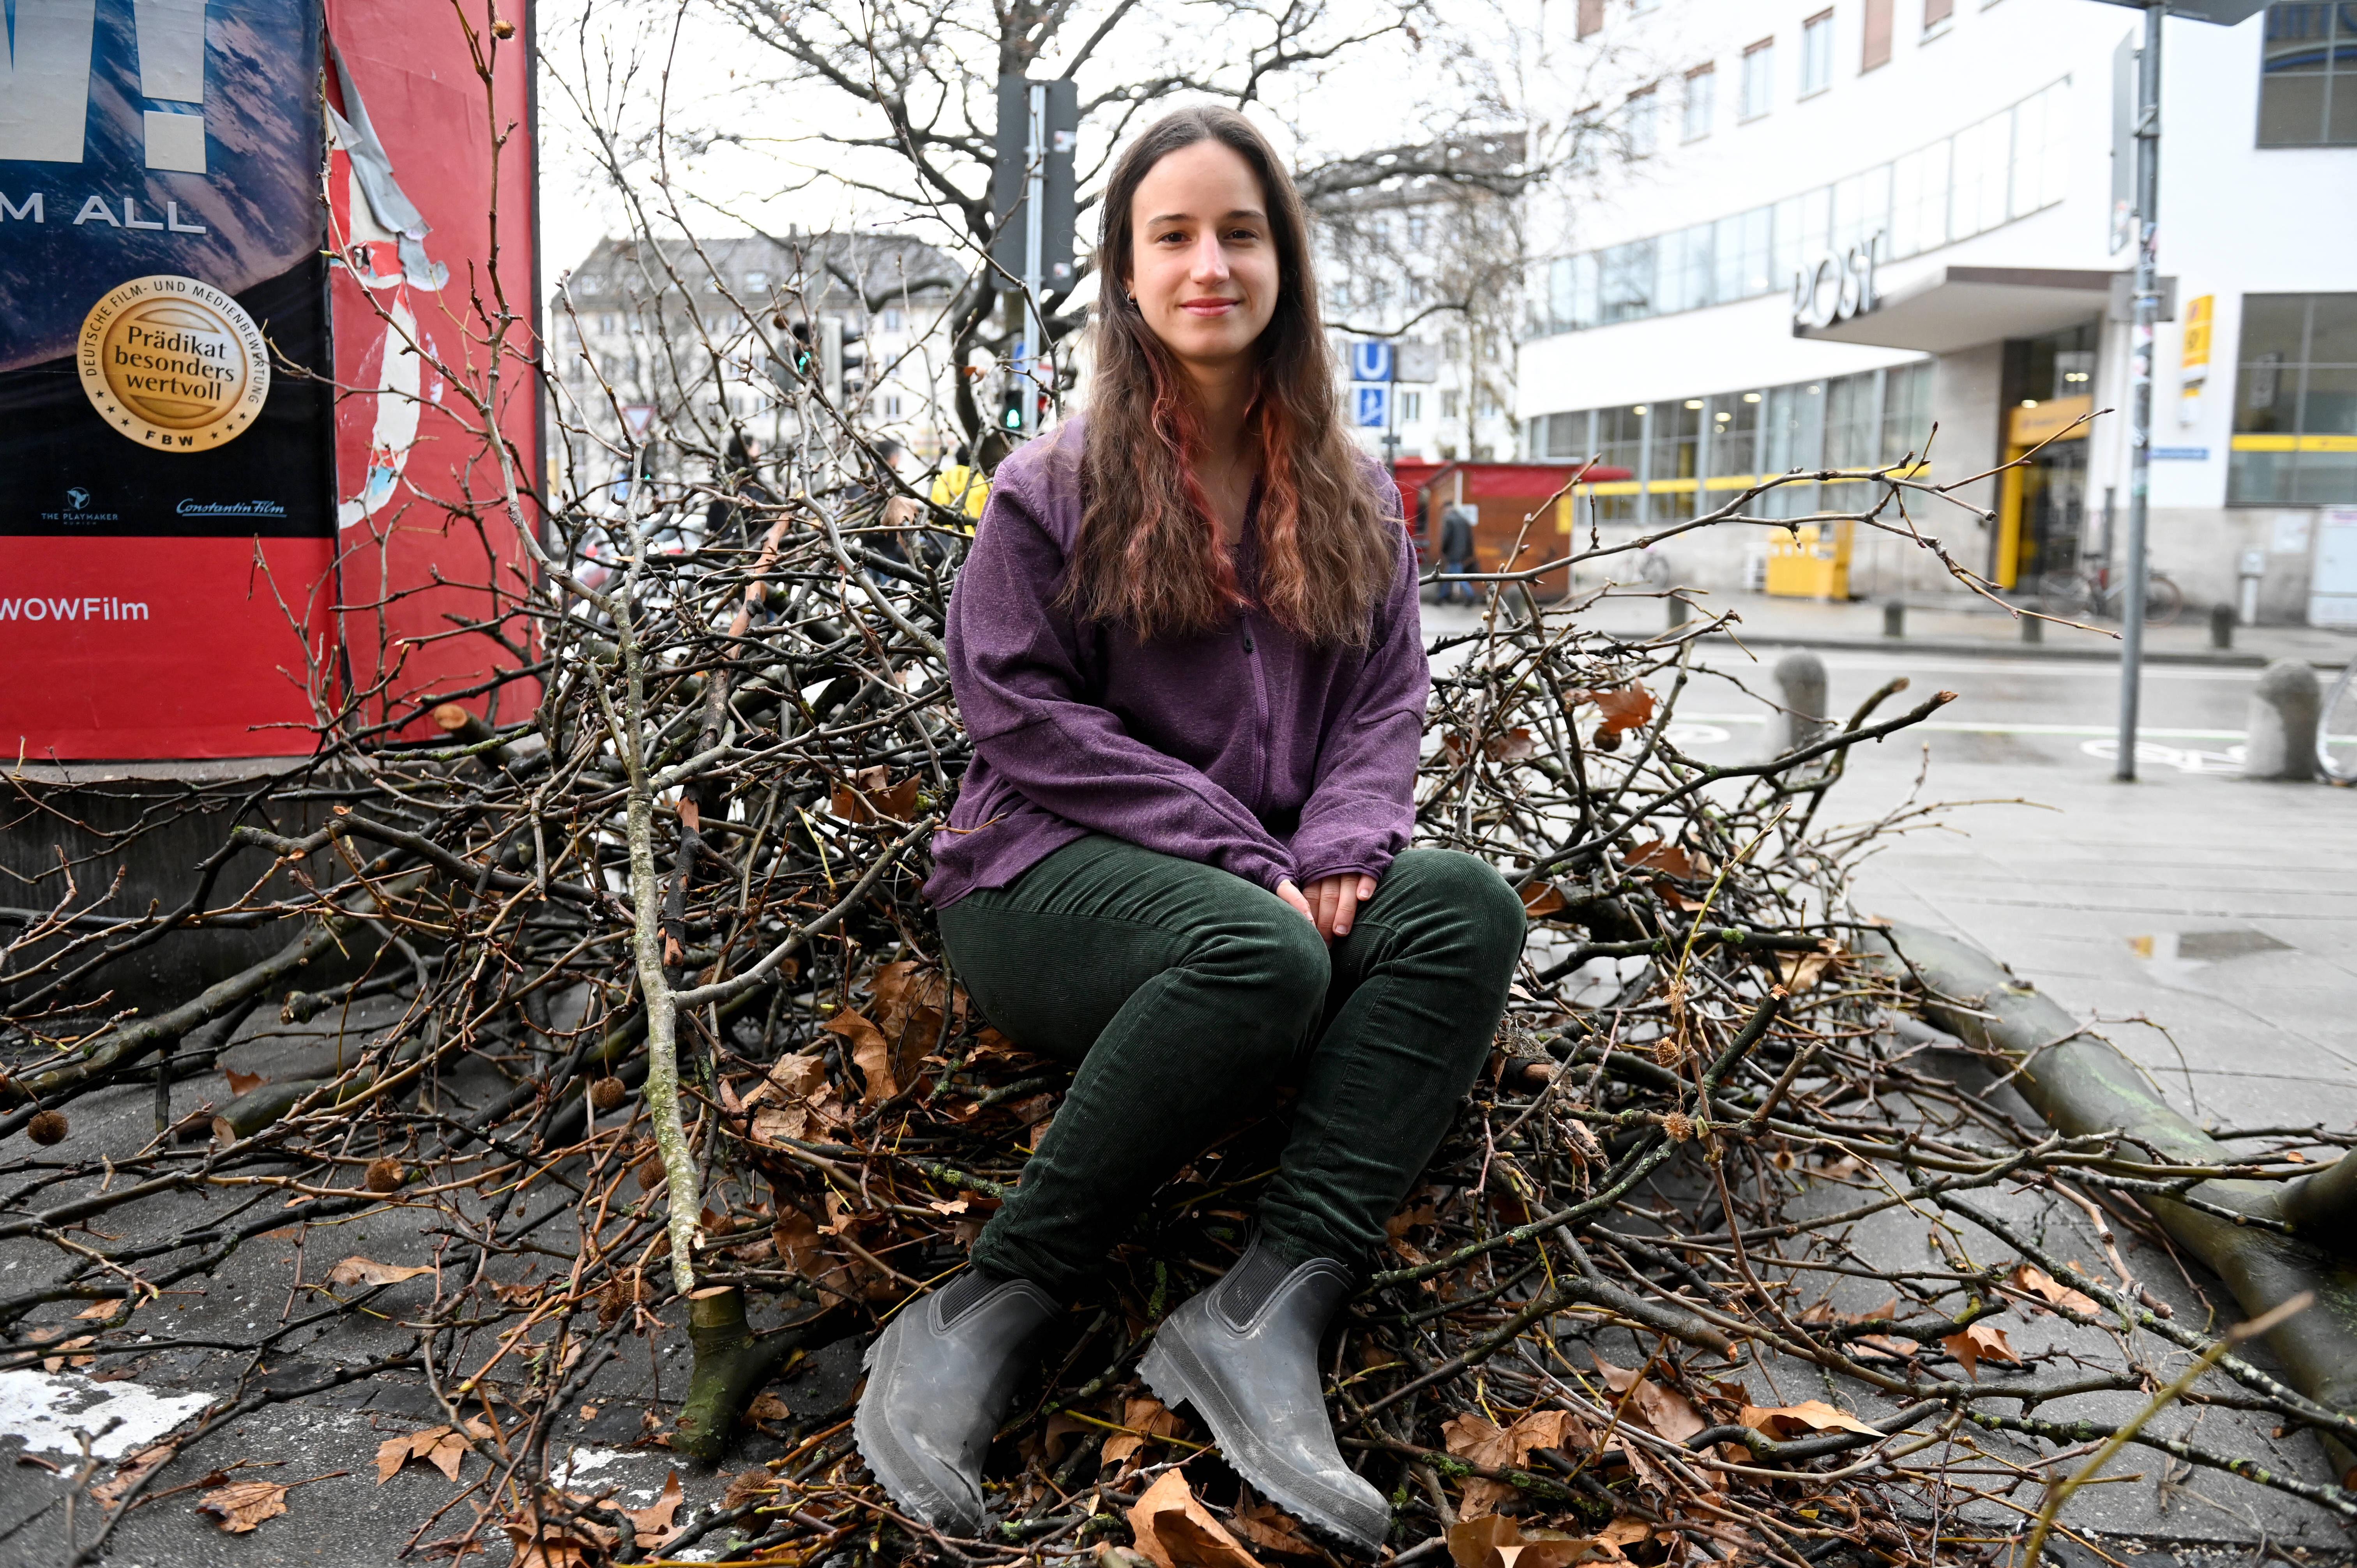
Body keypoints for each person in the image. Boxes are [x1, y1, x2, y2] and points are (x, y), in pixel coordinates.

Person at [852, 105, 1525, 1554]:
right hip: (1040, 880)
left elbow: (1388, 697)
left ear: (1282, 258)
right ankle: (987, 1301)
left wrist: (1342, 835)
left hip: (1269, 884)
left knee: (1463, 904)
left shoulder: (1352, 495)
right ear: (1124, 271)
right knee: (1259, 960)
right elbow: (1014, 711)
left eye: (1240, 230)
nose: (1208, 261)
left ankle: (1264, 1308)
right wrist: (1246, 854)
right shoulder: (1052, 488)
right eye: (1173, 235)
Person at [929, 442, 989, 528]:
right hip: (970, 538)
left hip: (943, 536)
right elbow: (987, 518)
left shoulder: (941, 479)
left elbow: (932, 512)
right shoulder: (982, 483)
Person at [1438, 501, 1478, 604]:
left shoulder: (1449, 520)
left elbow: (1446, 538)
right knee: (1449, 575)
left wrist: (1444, 550)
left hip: (1453, 553)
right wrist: (1469, 553)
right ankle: (1441, 597)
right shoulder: (1464, 520)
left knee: (1458, 576)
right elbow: (1470, 538)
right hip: (1462, 554)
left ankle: (1471, 595)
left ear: (1447, 509)